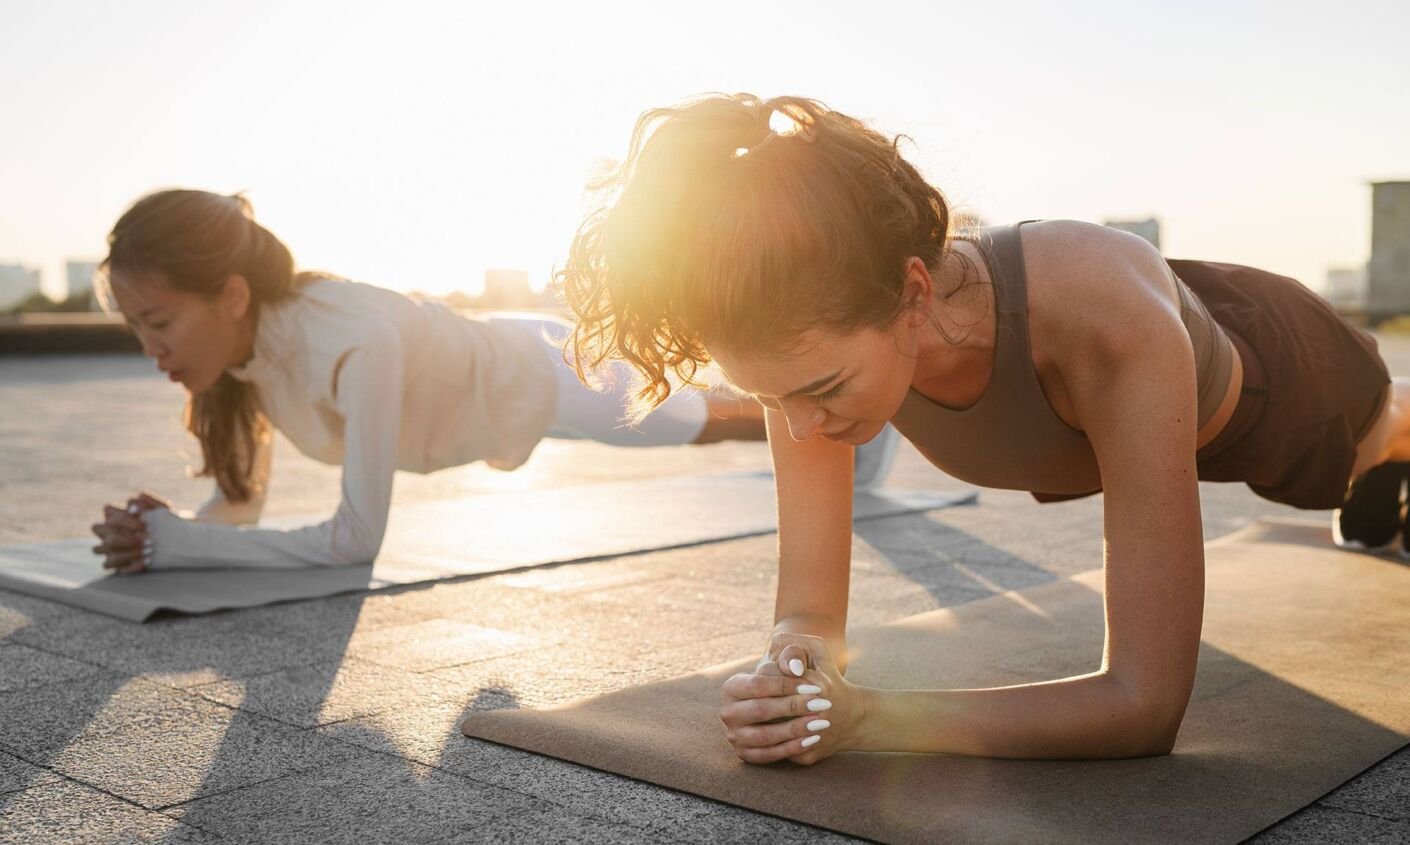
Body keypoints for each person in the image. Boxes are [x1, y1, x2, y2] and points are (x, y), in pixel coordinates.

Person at [557, 94, 1410, 764]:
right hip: (1154, 348)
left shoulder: (1102, 319)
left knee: (1365, 462)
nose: (801, 424)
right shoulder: (807, 359)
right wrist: (796, 669)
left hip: (1288, 380)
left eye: (819, 389)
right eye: (777, 401)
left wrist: (870, 722)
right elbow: (811, 611)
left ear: (916, 293)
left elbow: (1145, 705)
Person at [88, 189, 901, 574]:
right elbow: (240, 509)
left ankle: (858, 416)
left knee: (700, 421)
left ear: (230, 296)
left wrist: (182, 544)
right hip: (493, 355)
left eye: (159, 323)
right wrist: (172, 532)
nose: (151, 348)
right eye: (137, 328)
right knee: (697, 417)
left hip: (539, 374)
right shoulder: (244, 360)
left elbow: (353, 544)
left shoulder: (353, 340)